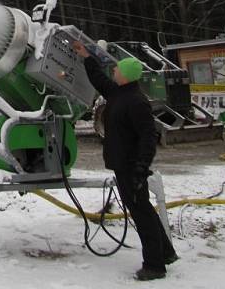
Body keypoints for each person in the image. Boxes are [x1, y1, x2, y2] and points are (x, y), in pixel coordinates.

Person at [72, 40, 177, 281]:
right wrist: (86, 56)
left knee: (142, 214)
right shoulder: (119, 93)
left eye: (118, 69)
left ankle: (154, 265)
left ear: (127, 75)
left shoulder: (137, 102)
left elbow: (148, 137)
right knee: (144, 210)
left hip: (131, 167)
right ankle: (167, 253)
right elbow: (99, 79)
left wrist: (141, 168)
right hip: (123, 164)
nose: (114, 71)